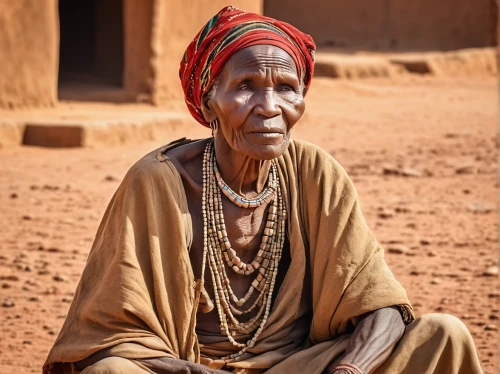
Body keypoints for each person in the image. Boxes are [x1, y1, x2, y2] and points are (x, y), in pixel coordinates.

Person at [43, 6, 483, 374]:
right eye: (245, 87)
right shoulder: (158, 182)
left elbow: (381, 307)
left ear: (302, 100)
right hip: (189, 369)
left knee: (444, 335)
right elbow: (106, 338)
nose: (270, 108)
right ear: (208, 99)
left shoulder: (315, 172)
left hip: (301, 366)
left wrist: (351, 370)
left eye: (286, 89)